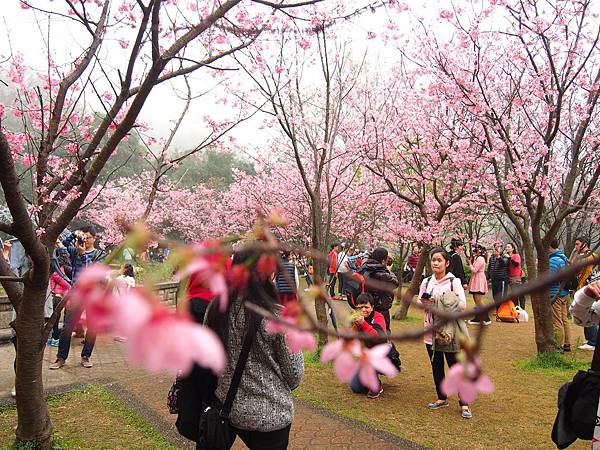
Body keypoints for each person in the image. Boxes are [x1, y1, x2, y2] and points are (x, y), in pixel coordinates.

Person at [204, 250, 304, 450]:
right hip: (270, 414)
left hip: (228, 406)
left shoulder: (217, 308)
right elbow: (294, 374)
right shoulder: (276, 316)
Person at [417, 246, 472, 419]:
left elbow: (462, 304)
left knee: (455, 367)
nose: (436, 263)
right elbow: (420, 303)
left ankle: (464, 403)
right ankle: (442, 398)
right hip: (430, 330)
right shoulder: (426, 282)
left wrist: (440, 300)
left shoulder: (453, 282)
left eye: (439, 260)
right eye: (433, 260)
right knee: (437, 366)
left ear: (447, 263)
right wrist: (426, 303)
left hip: (448, 332)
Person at [50, 226, 106, 370]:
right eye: (83, 237)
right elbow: (63, 248)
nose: (85, 240)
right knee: (67, 327)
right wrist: (73, 235)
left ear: (94, 238)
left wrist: (83, 255)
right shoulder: (75, 251)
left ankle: (86, 356)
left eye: (87, 237)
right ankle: (61, 357)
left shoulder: (100, 254)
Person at [350, 293, 387, 398]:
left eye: (366, 307)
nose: (364, 310)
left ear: (372, 307)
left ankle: (376, 385)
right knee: (356, 387)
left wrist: (363, 324)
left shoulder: (378, 317)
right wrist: (355, 326)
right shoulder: (357, 318)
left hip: (380, 353)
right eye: (360, 307)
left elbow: (378, 338)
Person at [361, 247, 399, 332]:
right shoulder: (383, 274)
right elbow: (396, 283)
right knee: (384, 331)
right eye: (386, 259)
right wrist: (389, 271)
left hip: (369, 305)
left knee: (370, 330)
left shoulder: (366, 266)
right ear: (382, 261)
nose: (387, 261)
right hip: (381, 308)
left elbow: (367, 254)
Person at [572, 237, 599, 350]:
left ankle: (592, 341)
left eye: (578, 244)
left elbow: (582, 271)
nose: (576, 247)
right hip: (588, 287)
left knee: (588, 312)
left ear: (584, 244)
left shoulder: (589, 256)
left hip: (590, 288)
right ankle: (590, 339)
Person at [549, 240, 571, 352]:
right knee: (564, 319)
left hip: (555, 293)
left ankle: (558, 346)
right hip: (564, 293)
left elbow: (550, 280)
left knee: (557, 321)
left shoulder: (553, 260)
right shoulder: (564, 258)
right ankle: (567, 343)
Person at [467, 245, 490, 325]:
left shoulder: (480, 259)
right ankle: (478, 318)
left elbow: (474, 270)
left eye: (475, 250)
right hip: (477, 279)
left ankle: (486, 318)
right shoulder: (479, 258)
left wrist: (470, 263)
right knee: (476, 300)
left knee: (478, 300)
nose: (474, 252)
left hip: (478, 280)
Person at [506, 243, 526, 309]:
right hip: (511, 277)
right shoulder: (506, 257)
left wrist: (509, 258)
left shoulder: (516, 256)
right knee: (514, 295)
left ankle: (522, 309)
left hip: (518, 277)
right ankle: (516, 309)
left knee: (520, 294)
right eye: (506, 247)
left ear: (513, 248)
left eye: (508, 247)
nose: (507, 248)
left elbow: (516, 264)